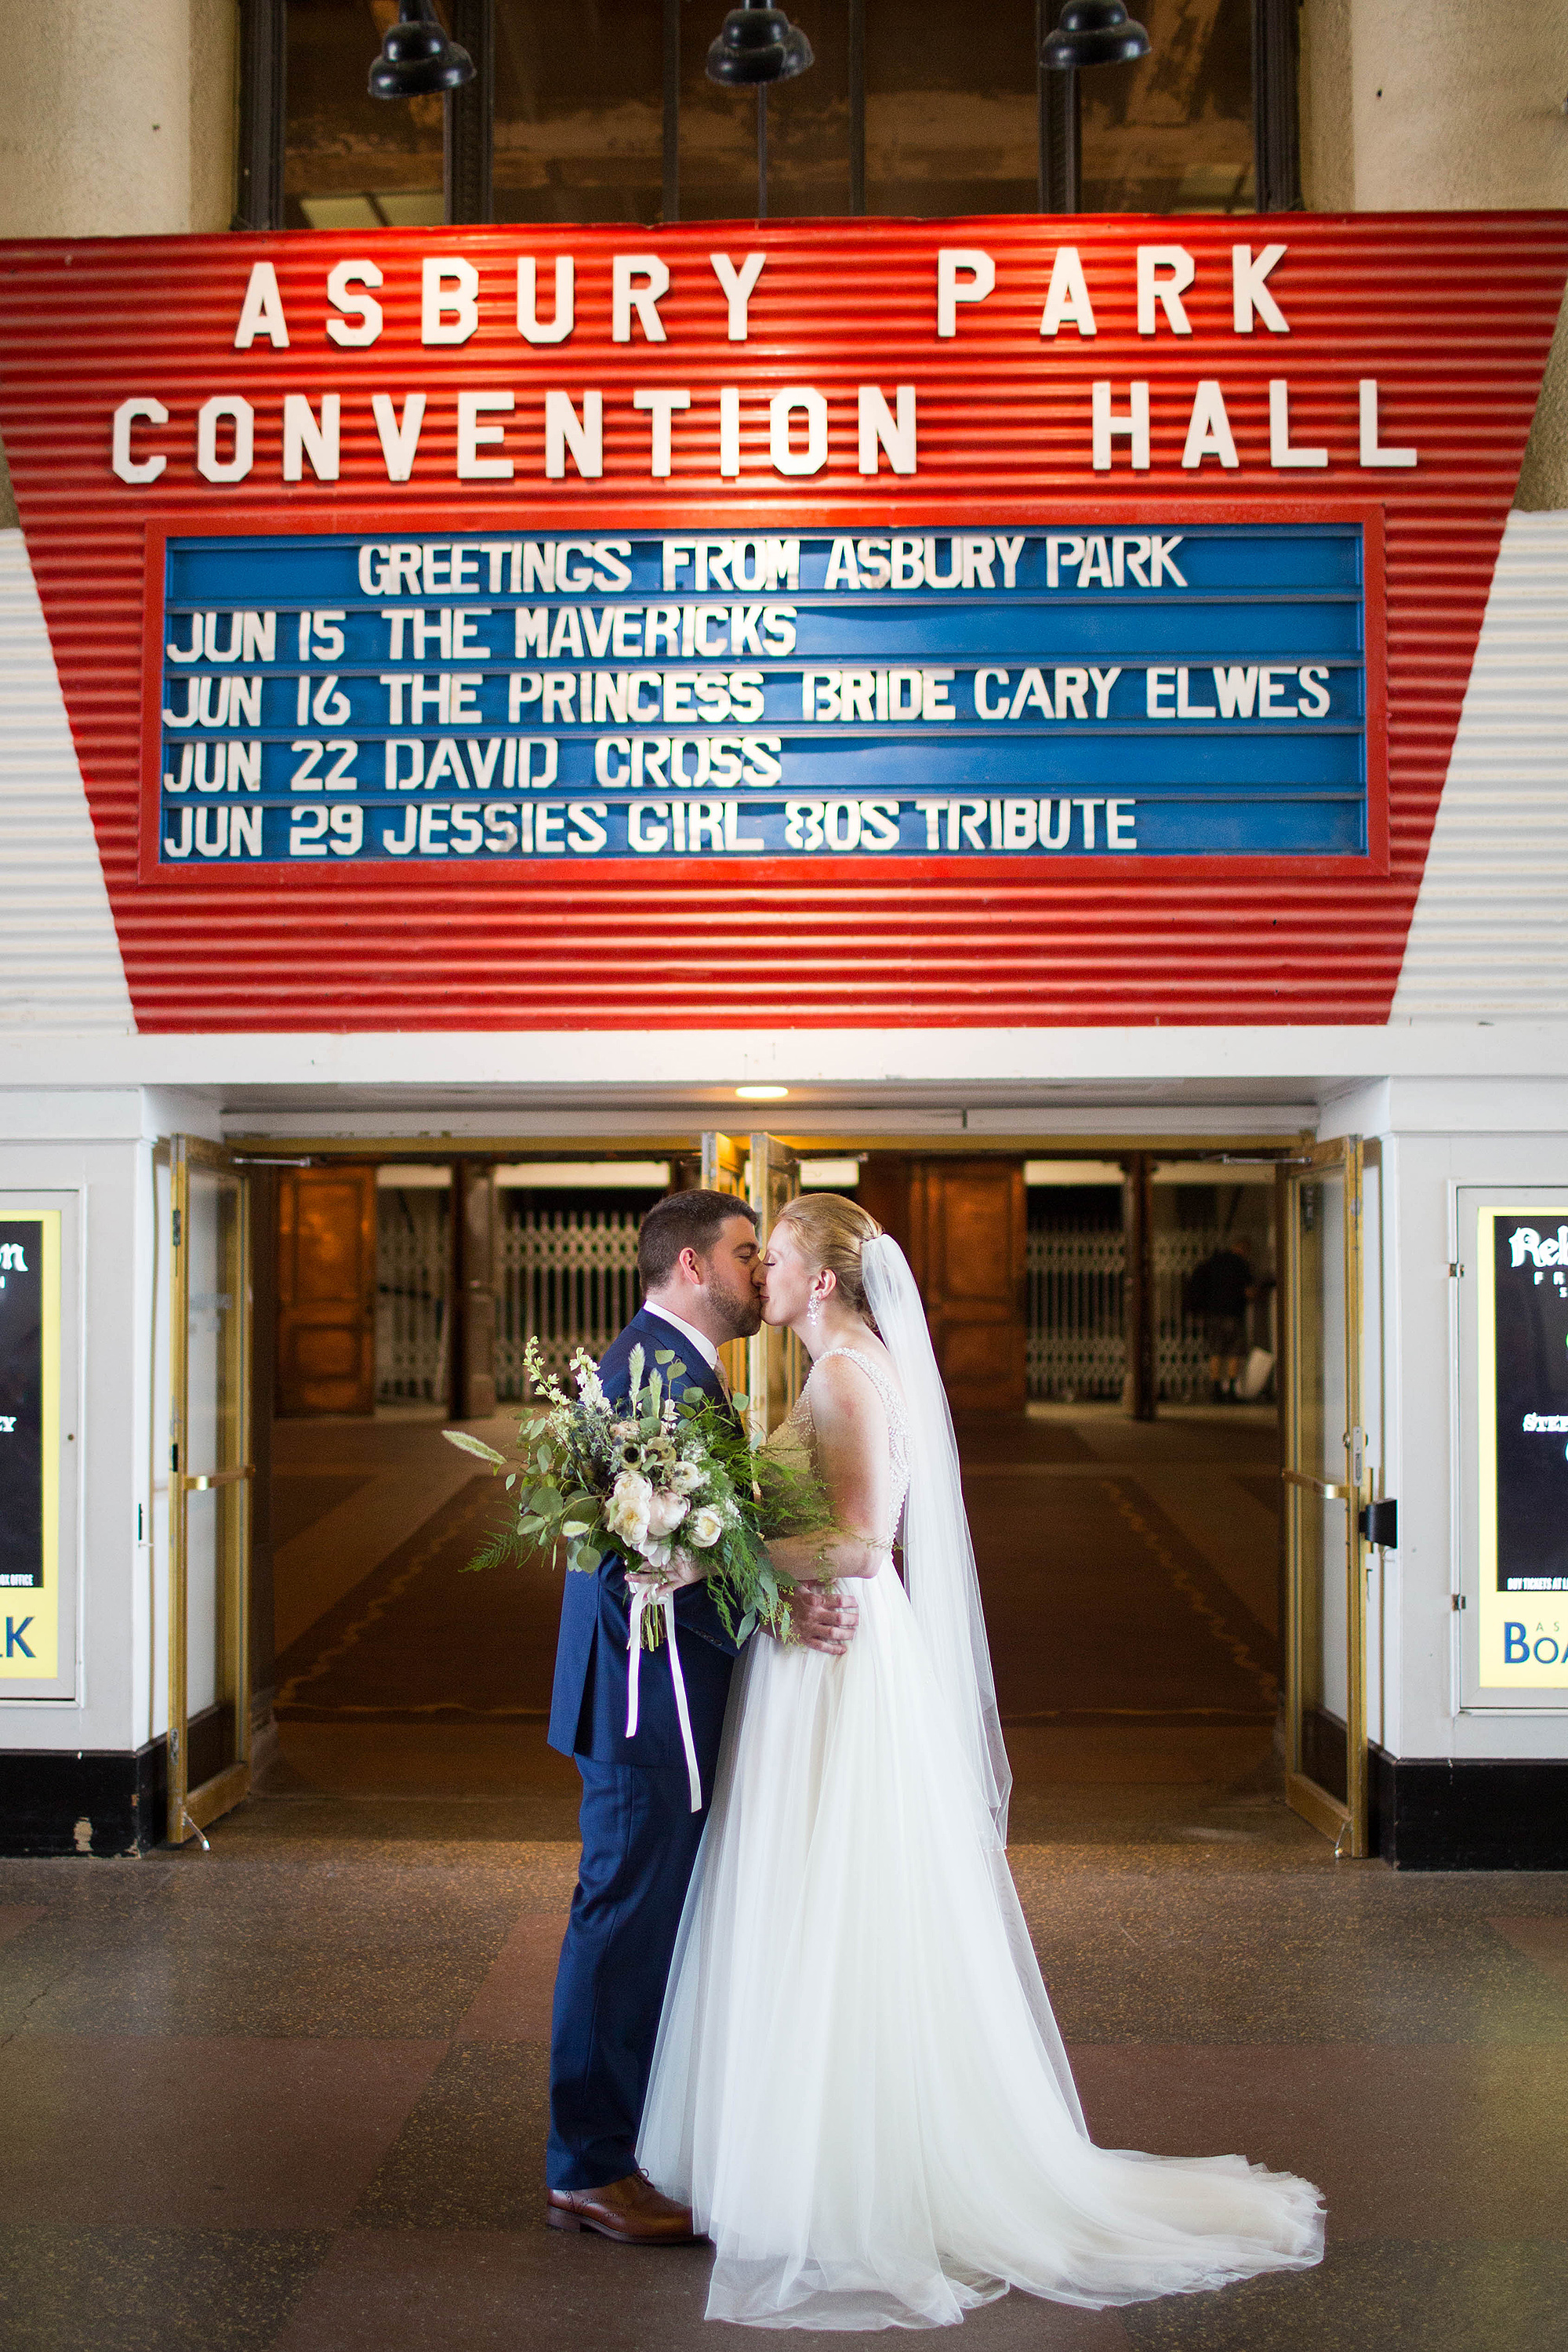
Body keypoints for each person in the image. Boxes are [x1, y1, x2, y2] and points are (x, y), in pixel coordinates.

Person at [637, 1195, 1325, 2328]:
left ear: (821, 1282)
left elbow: (858, 1540)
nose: (760, 1270)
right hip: (820, 1655)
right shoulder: (838, 1363)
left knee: (838, 1909)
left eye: (780, 1254)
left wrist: (707, 1543)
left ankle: (845, 2171)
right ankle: (803, 2150)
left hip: (840, 1671)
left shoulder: (849, 1372)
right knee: (818, 1904)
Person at [544, 1188, 858, 2246]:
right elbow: (648, 1548)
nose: (755, 1271)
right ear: (688, 1265)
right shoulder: (649, 1372)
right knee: (623, 1915)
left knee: (647, 1915)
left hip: (672, 1680)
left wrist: (769, 1596)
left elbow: (703, 1542)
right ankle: (588, 2163)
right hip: (646, 1696)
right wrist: (772, 1595)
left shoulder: (677, 1368)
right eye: (741, 1254)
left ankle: (623, 2141)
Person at [1189, 1232, 1254, 1400]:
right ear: (1244, 1250)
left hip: (1214, 1313)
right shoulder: (1241, 1264)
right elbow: (1249, 1292)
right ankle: (1231, 1389)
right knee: (1234, 1351)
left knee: (1216, 1351)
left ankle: (1216, 1389)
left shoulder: (1214, 1262)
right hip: (1234, 1313)